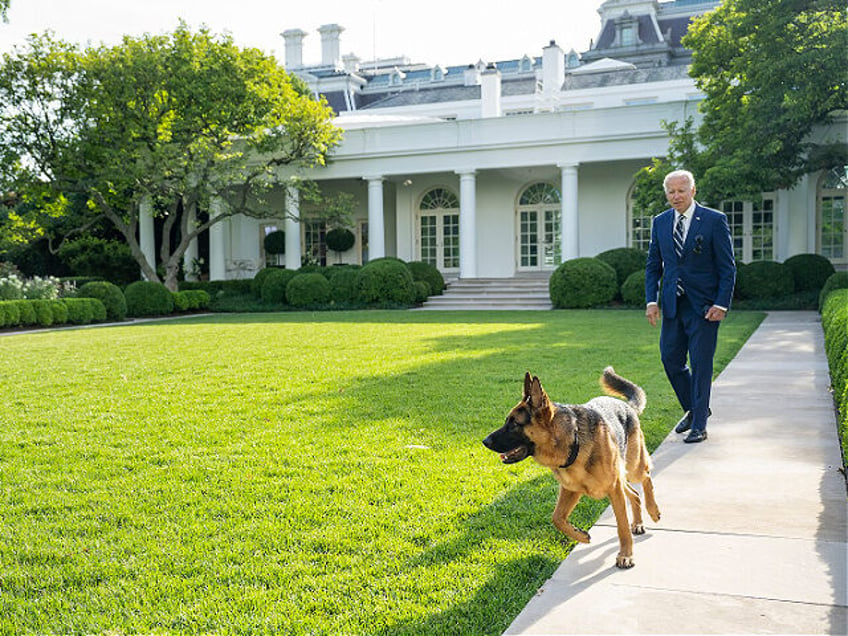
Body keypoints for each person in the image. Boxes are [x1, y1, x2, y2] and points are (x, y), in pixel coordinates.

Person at [645, 169, 736, 443]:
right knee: (670, 360)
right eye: (671, 191)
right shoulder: (660, 222)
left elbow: (727, 268)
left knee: (700, 363)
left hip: (705, 308)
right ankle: (696, 408)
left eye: (681, 190)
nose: (676, 196)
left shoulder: (713, 220)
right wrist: (652, 300)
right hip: (673, 305)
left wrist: (721, 304)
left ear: (692, 191)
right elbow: (653, 266)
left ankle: (699, 425)